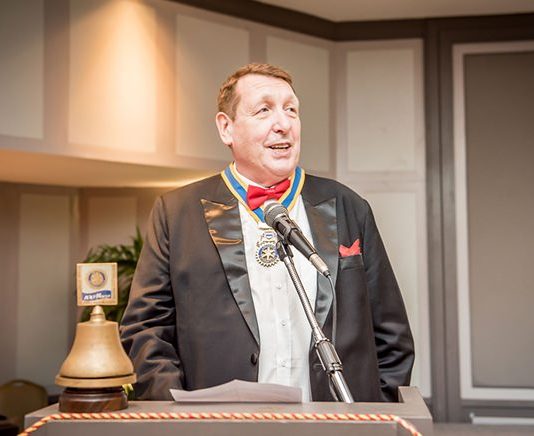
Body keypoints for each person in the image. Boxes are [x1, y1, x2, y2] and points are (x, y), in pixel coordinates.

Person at [120, 63, 414, 402]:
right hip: (221, 423)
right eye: (264, 110)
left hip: (335, 421)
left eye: (291, 110)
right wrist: (183, 414)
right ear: (226, 128)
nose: (283, 124)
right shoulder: (176, 214)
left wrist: (371, 417)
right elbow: (146, 330)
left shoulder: (348, 206)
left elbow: (392, 337)